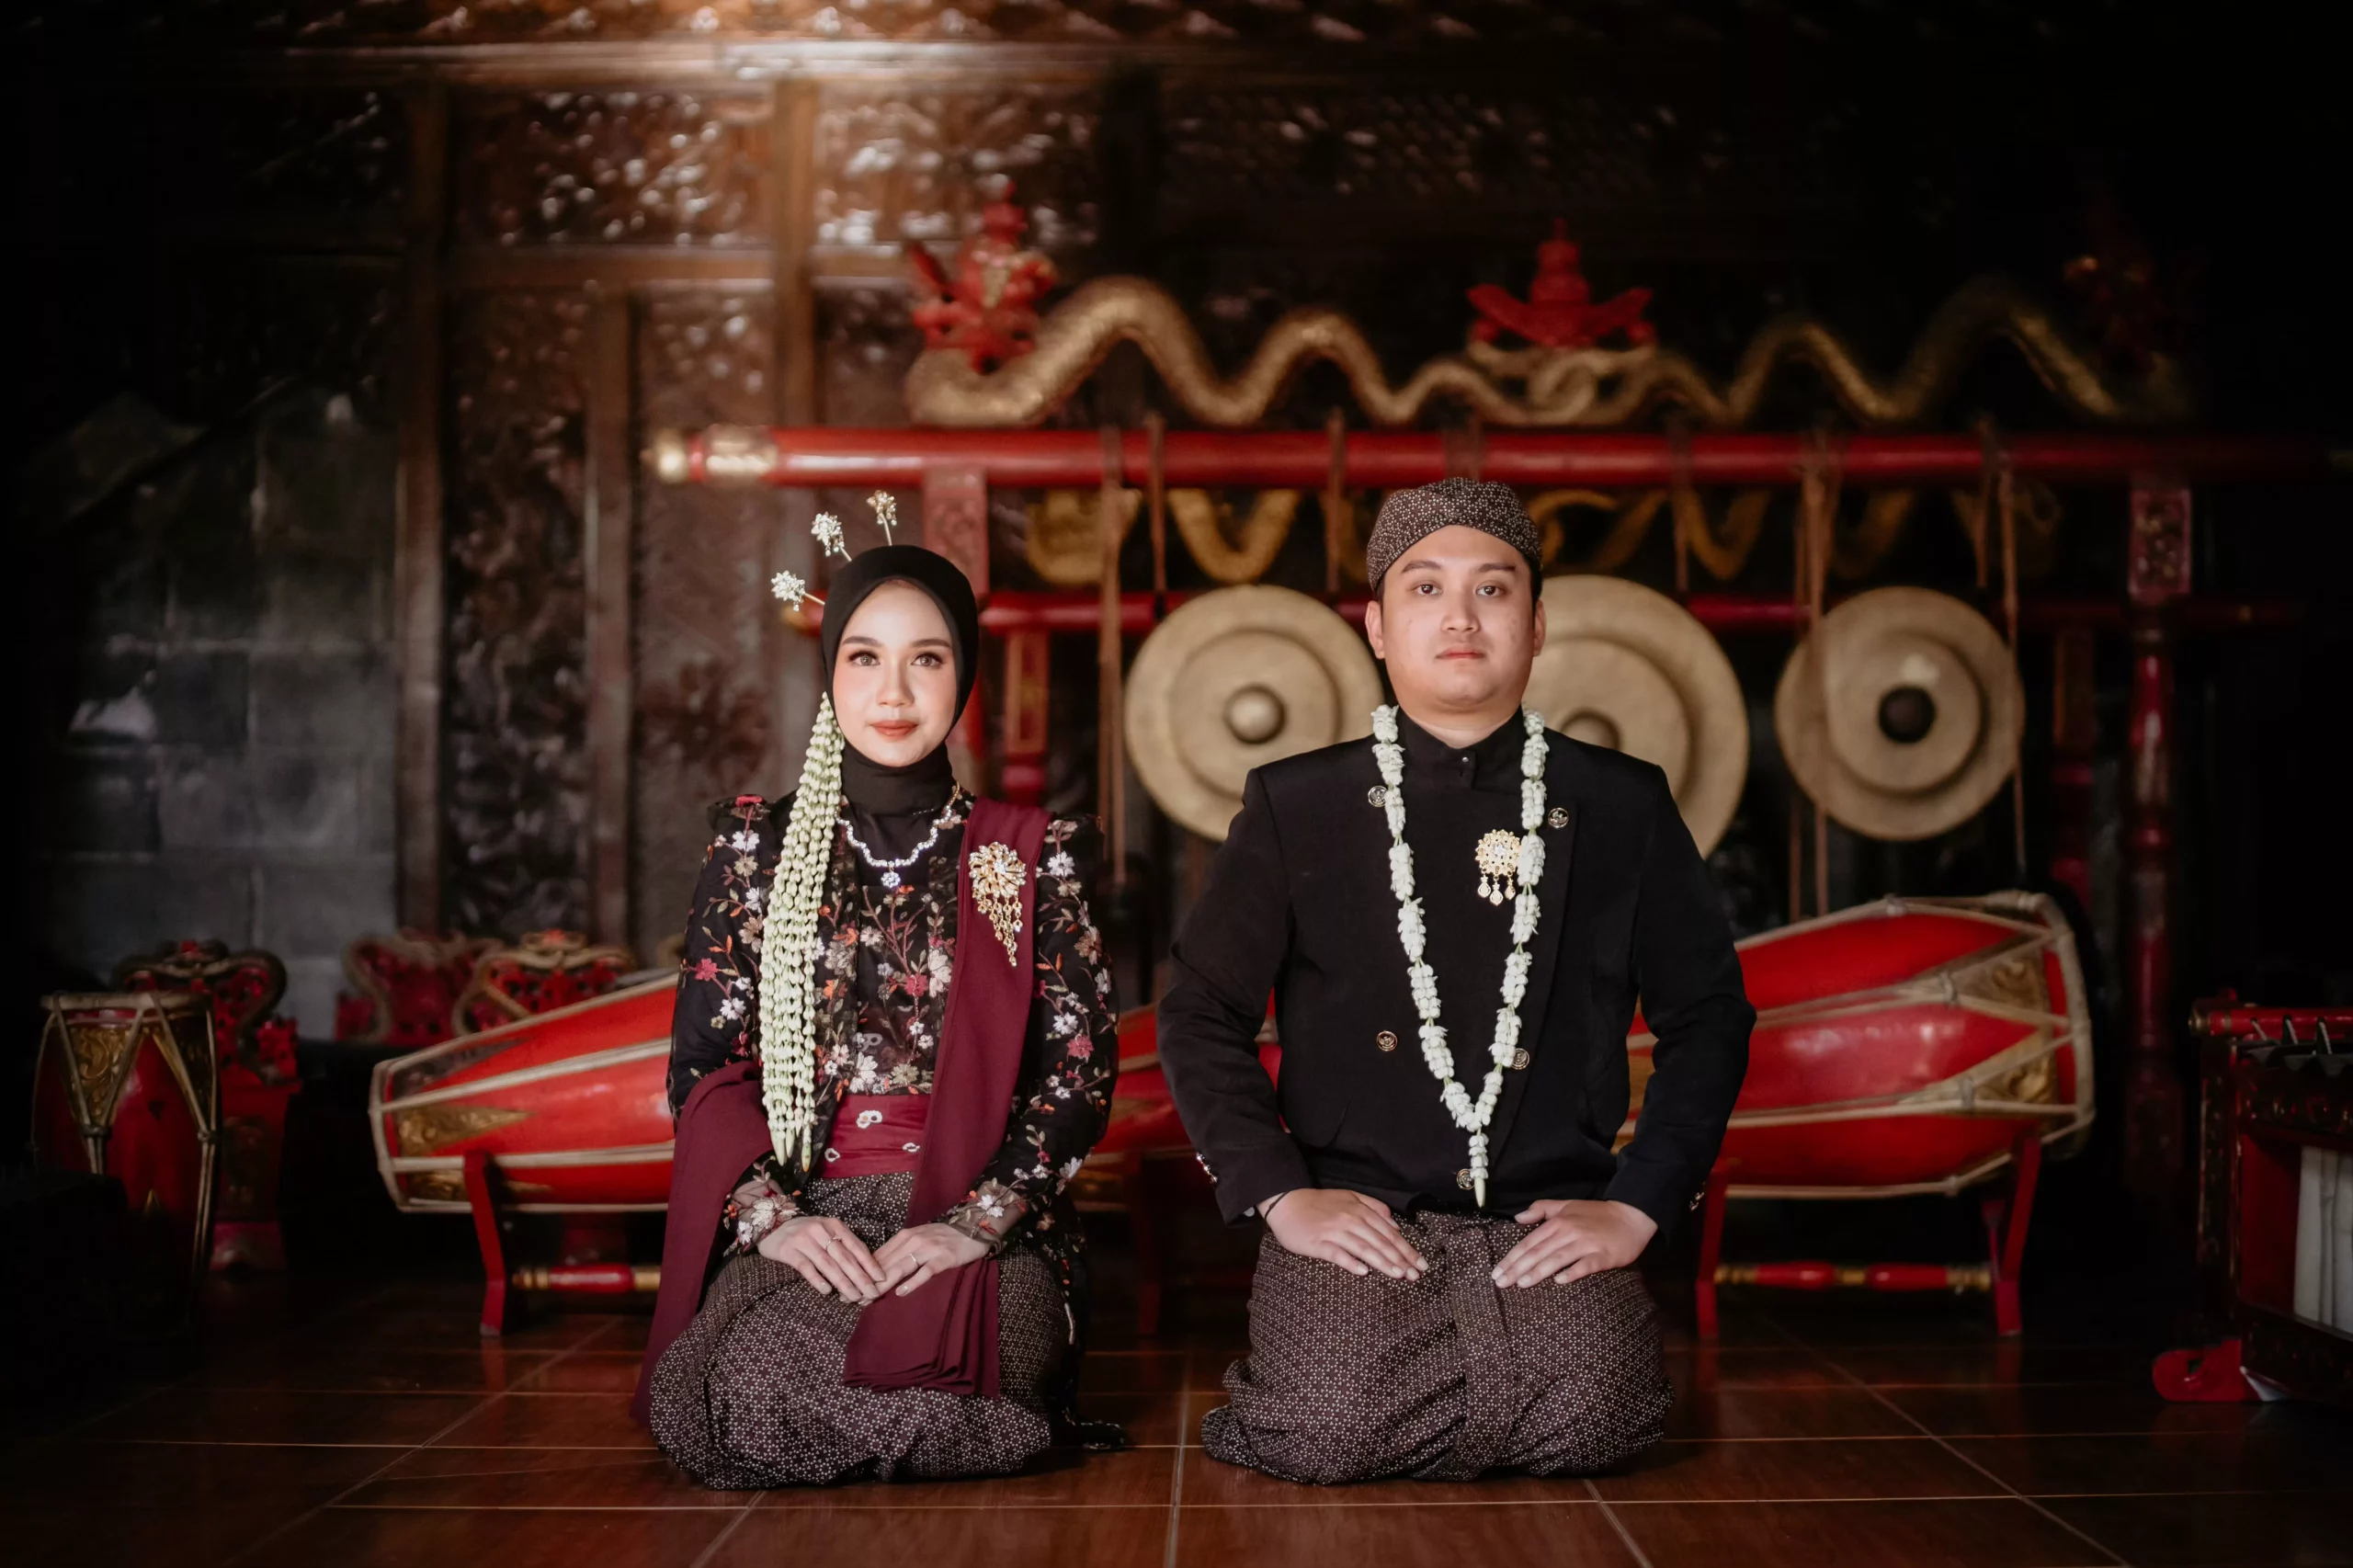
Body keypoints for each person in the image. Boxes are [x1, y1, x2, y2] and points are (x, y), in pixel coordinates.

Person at [1157, 478, 1753, 1484]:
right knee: (1329, 1428)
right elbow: (1199, 1011)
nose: (1461, 617)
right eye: (1425, 588)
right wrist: (1282, 1194)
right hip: (1360, 1214)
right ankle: (1439, 1398)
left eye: (1493, 588)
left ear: (1537, 625)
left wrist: (1638, 1204)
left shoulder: (1621, 802)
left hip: (1544, 1216)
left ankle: (1460, 1399)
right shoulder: (1297, 803)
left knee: (1601, 1420)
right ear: (1377, 627)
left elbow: (1709, 1015)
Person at [631, 542, 1120, 1486]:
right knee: (739, 1387)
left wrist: (974, 1223)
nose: (893, 690)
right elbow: (705, 1068)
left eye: (926, 657)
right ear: (830, 672)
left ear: (962, 674)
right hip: (815, 1213)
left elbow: (1077, 1074)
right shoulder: (756, 850)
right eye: (865, 656)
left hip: (978, 1218)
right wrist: (776, 1221)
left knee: (967, 1383)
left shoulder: (1030, 853)